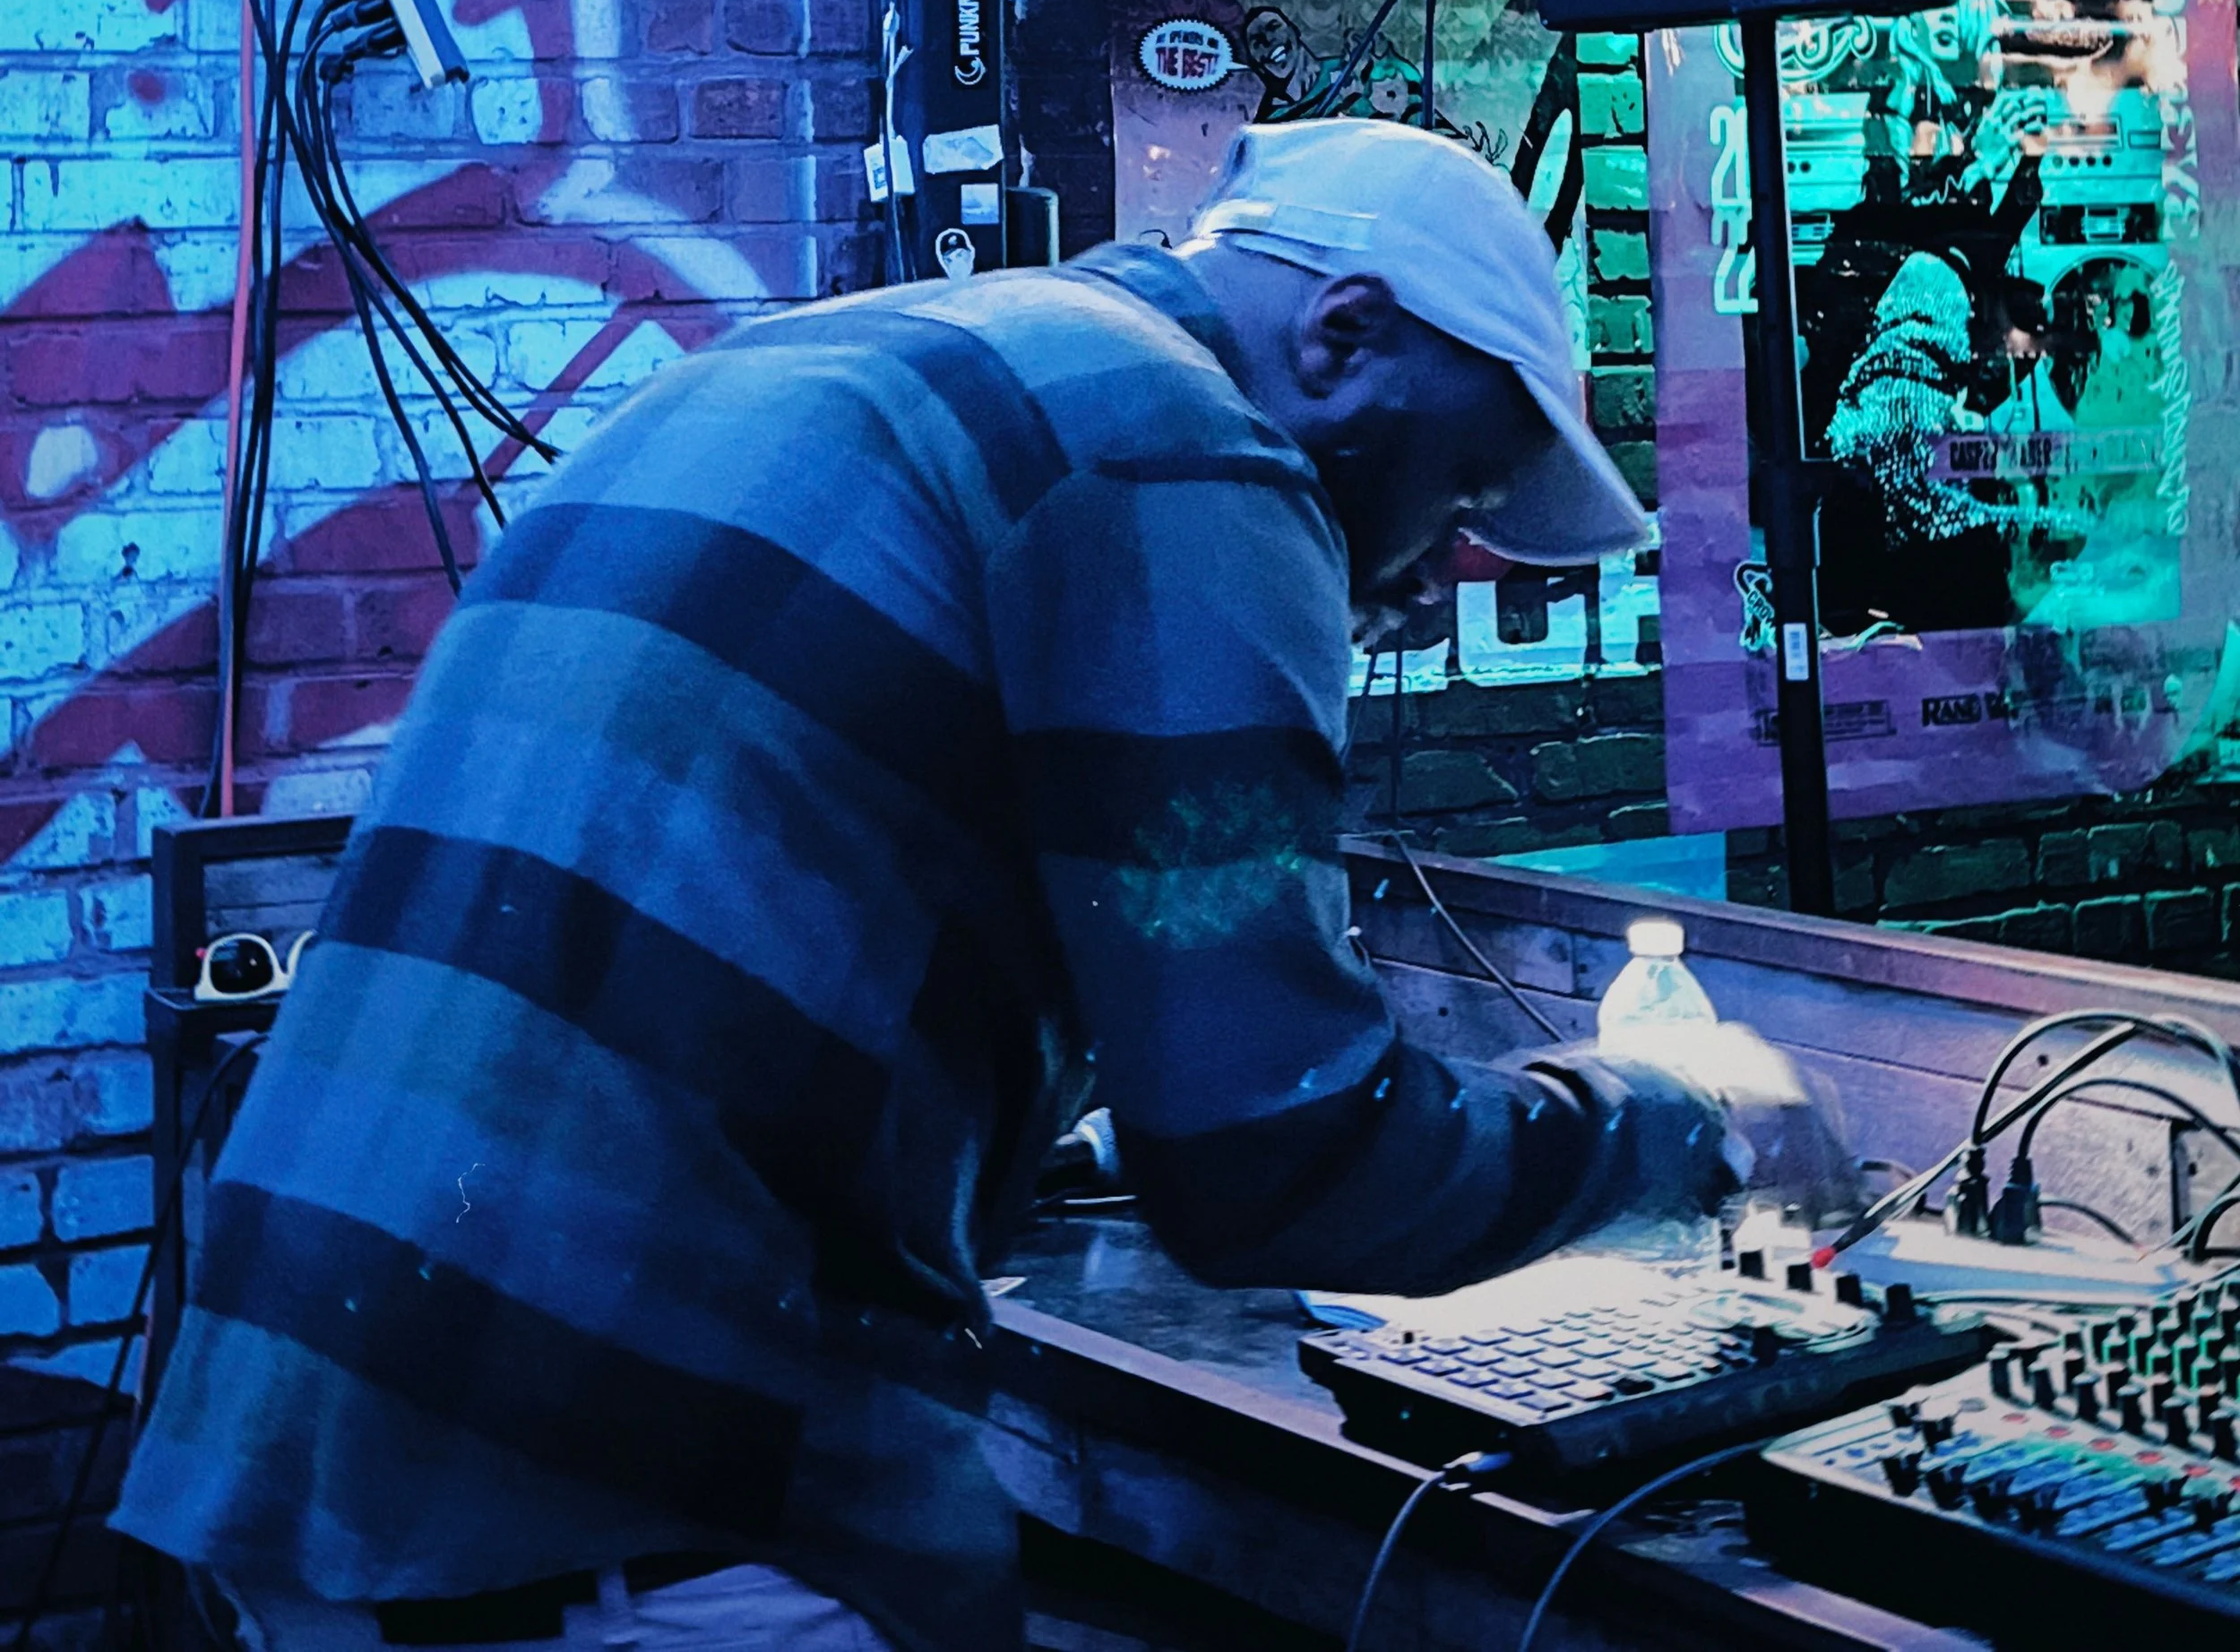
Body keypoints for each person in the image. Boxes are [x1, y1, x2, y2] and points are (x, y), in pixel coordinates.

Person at [117, 121, 1842, 1652]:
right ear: (1341, 333)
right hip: (627, 1502)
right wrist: (1680, 1118)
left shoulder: (832, 362)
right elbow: (1276, 1164)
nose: (1448, 556)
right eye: (1456, 481)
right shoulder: (1180, 450)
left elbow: (766, 931)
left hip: (307, 1427)